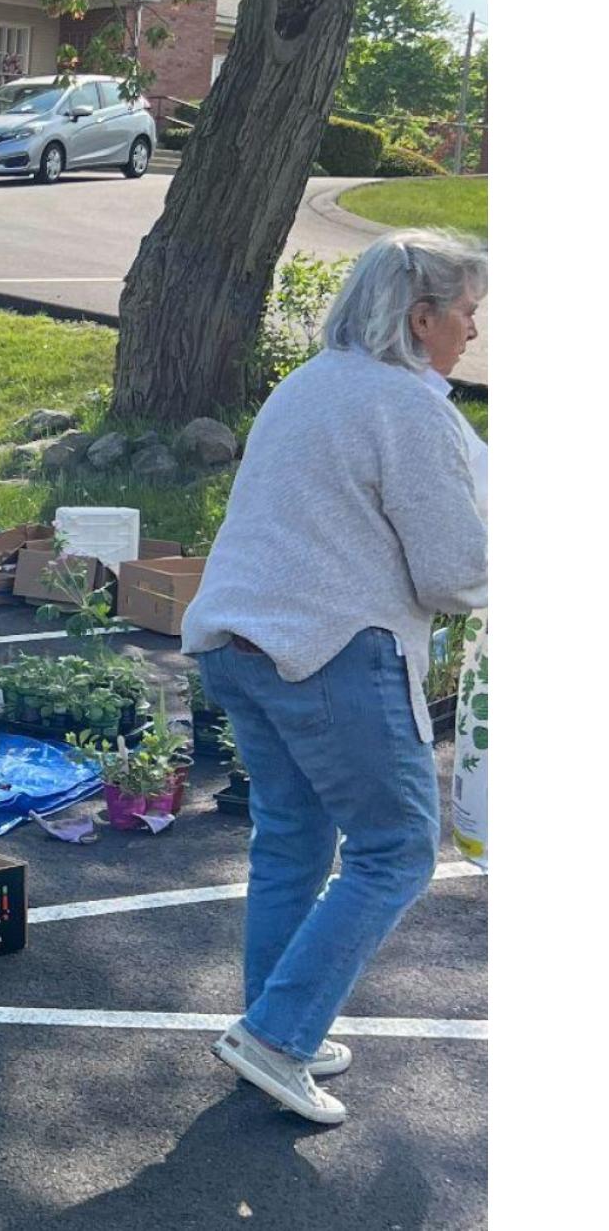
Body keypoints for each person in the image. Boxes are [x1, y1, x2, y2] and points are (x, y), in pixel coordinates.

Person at [182, 230, 486, 1126]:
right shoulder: (408, 407)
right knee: (395, 849)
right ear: (421, 316)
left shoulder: (308, 384)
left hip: (235, 637)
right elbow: (453, 574)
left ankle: (278, 1027)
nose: (472, 329)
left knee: (293, 837)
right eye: (466, 311)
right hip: (332, 647)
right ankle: (277, 1033)